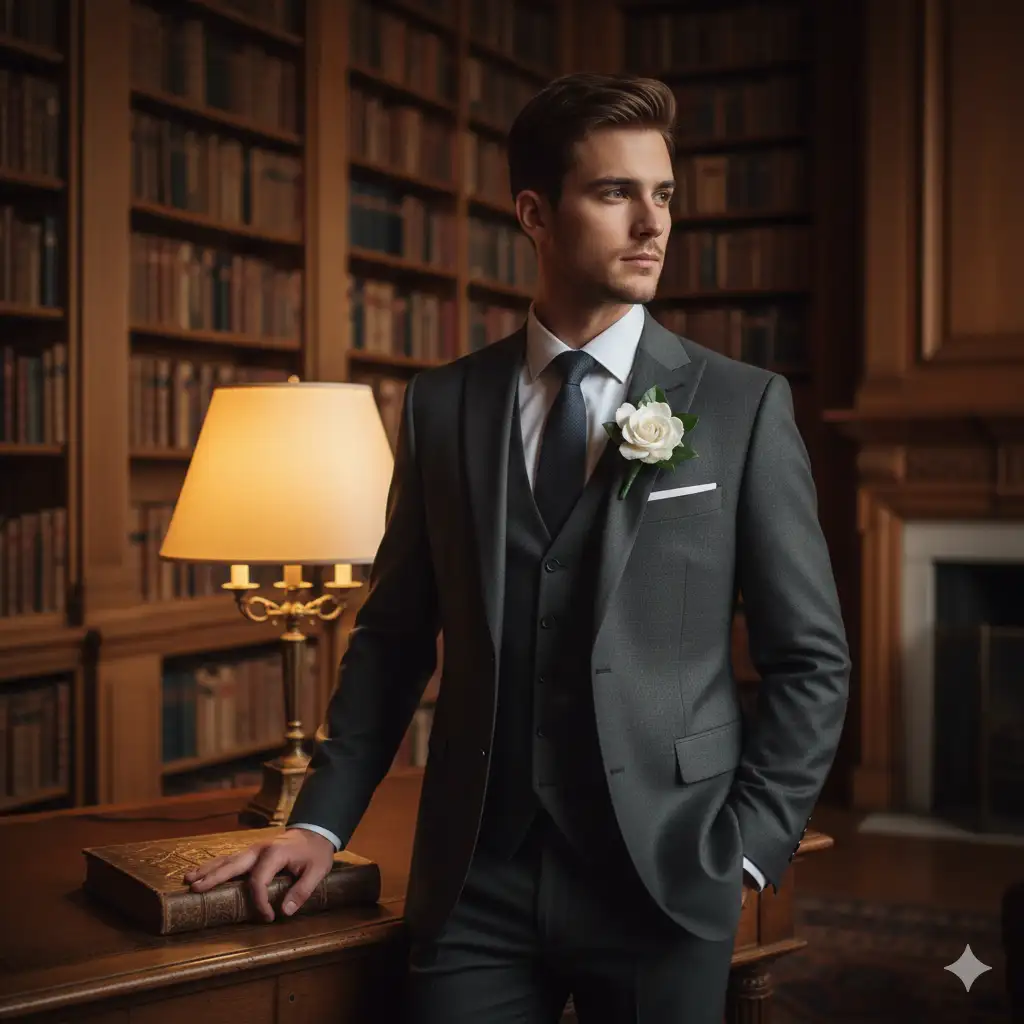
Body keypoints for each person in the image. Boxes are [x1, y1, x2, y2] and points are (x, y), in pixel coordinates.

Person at [183, 72, 851, 1023]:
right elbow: (393, 639)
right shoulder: (444, 405)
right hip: (478, 882)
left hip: (666, 874)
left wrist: (748, 844)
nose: (652, 223)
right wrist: (321, 823)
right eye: (615, 192)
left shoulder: (742, 405)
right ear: (535, 214)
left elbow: (811, 658)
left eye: (663, 194)